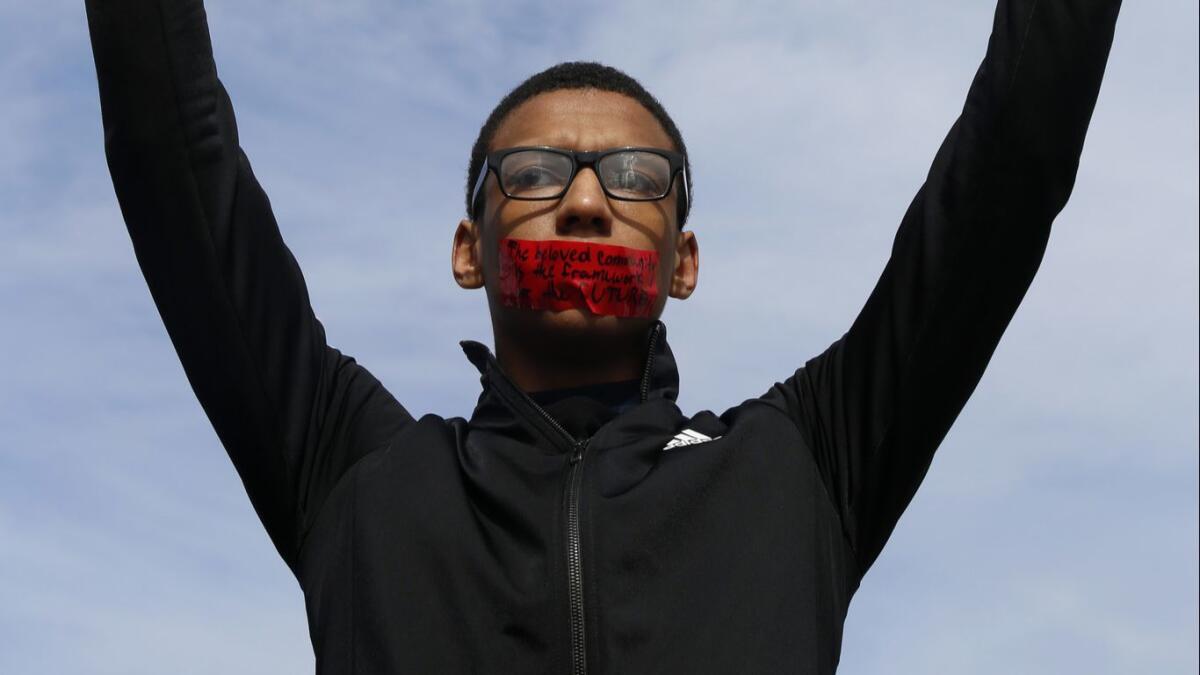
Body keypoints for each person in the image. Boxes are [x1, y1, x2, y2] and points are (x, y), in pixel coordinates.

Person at [84, 0, 1122, 672]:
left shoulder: (803, 465)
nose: (585, 203)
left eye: (637, 180)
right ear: (469, 247)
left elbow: (1011, 165)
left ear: (683, 260)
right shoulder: (353, 470)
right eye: (533, 173)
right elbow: (173, 157)